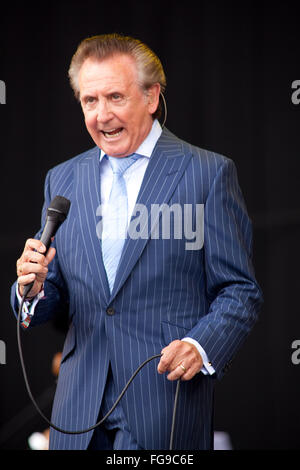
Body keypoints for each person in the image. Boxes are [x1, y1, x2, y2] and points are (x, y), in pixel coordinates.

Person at [11, 34, 263, 450]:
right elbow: (50, 294)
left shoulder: (207, 173)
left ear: (151, 96)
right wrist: (31, 288)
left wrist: (202, 345)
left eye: (114, 97)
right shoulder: (63, 179)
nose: (101, 114)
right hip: (77, 410)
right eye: (89, 101)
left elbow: (240, 290)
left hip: (164, 402)